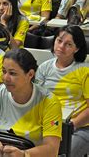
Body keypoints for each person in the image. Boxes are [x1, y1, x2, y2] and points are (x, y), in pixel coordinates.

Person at [0, 49, 62, 156]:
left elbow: (51, 149)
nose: (5, 78)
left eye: (12, 73)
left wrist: (23, 154)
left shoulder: (49, 102)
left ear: (30, 74)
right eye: (4, 71)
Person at [35, 25, 88, 156]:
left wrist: (71, 126)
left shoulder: (85, 71)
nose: (61, 47)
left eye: (68, 44)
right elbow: (36, 99)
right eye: (59, 41)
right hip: (48, 124)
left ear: (77, 48)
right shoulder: (44, 68)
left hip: (78, 127)